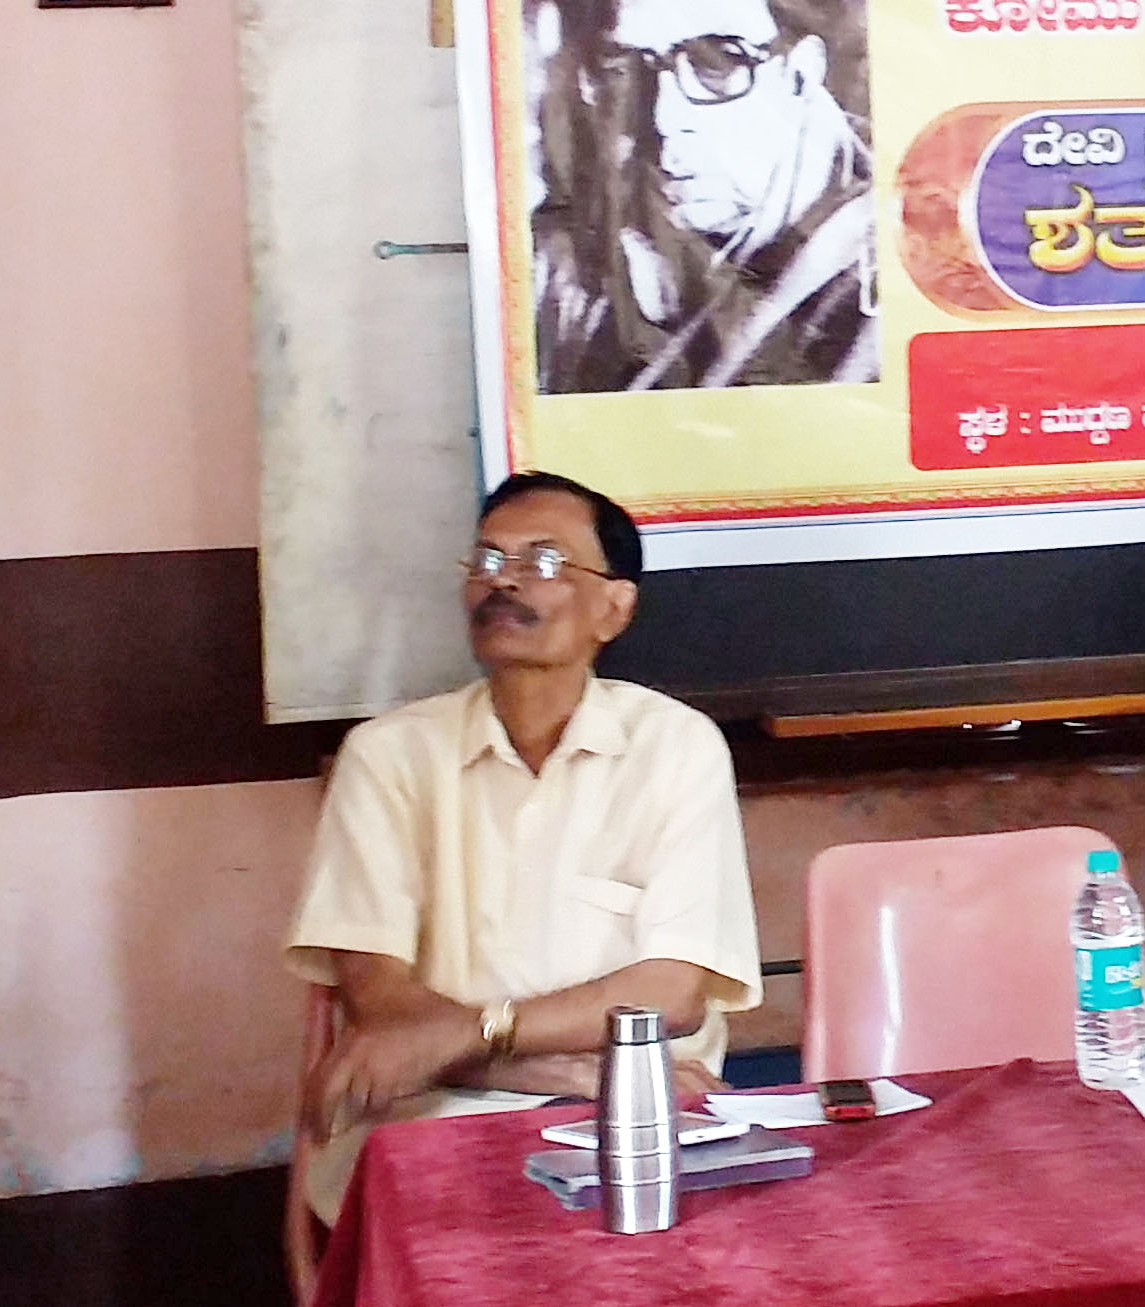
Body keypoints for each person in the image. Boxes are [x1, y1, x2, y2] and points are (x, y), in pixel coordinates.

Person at [283, 472, 761, 1232]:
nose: (502, 580)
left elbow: (671, 994)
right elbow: (380, 1002)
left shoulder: (676, 747)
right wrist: (564, 1069)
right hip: (437, 1113)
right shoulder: (386, 755)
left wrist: (472, 1036)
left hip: (639, 1123)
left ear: (614, 607)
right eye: (486, 559)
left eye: (542, 561)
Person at [530, 0, 877, 392]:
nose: (664, 120)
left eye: (713, 66)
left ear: (802, 72)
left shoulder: (883, 293)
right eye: (636, 67)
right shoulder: (628, 249)